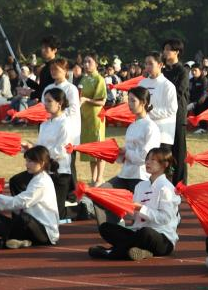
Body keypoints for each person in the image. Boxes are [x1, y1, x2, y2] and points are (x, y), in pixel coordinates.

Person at [88, 146, 180, 261]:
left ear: (165, 164)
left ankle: (111, 252)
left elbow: (165, 218)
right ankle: (142, 252)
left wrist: (141, 208)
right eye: (147, 159)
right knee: (105, 227)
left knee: (146, 233)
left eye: (153, 160)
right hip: (138, 233)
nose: (148, 162)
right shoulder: (140, 186)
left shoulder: (167, 188)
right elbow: (134, 217)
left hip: (161, 238)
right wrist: (121, 206)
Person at [0, 145, 60, 249]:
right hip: (29, 228)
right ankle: (18, 240)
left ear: (41, 163)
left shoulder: (42, 182)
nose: (26, 164)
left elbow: (22, 202)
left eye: (30, 161)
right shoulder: (36, 178)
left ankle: (5, 242)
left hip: (44, 233)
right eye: (26, 161)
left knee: (24, 218)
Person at [14, 88, 76, 220]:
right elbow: (40, 147)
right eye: (44, 101)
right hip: (42, 170)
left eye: (49, 101)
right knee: (16, 182)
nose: (45, 104)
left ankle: (84, 208)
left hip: (59, 172)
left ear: (59, 104)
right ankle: (22, 215)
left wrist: (38, 152)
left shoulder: (66, 124)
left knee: (58, 214)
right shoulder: (44, 124)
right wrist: (29, 148)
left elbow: (62, 151)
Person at [109, 86, 161, 195]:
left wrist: (126, 152)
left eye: (133, 101)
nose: (129, 104)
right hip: (126, 174)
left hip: (141, 177)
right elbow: (128, 150)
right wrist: (119, 152)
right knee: (100, 193)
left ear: (143, 102)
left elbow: (146, 157)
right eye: (129, 100)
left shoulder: (151, 127)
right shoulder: (132, 126)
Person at [161, 39, 190, 183]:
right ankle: (164, 181)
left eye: (168, 49)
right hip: (163, 116)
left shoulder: (183, 71)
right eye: (164, 49)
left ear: (177, 52)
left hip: (178, 115)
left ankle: (180, 184)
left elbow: (178, 92)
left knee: (179, 152)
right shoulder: (162, 71)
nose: (165, 52)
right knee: (164, 150)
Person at [139, 52, 178, 152]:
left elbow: (172, 109)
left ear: (160, 65)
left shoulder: (168, 86)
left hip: (162, 133)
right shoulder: (142, 84)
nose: (147, 66)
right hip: (144, 130)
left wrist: (150, 112)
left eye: (150, 64)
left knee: (159, 161)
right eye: (146, 64)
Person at [79, 55, 107, 185]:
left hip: (96, 117)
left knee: (98, 147)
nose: (86, 64)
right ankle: (93, 177)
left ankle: (100, 177)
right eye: (84, 62)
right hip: (86, 117)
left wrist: (86, 100)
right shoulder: (84, 79)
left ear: (96, 64)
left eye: (89, 62)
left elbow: (102, 101)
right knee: (90, 148)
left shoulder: (99, 79)